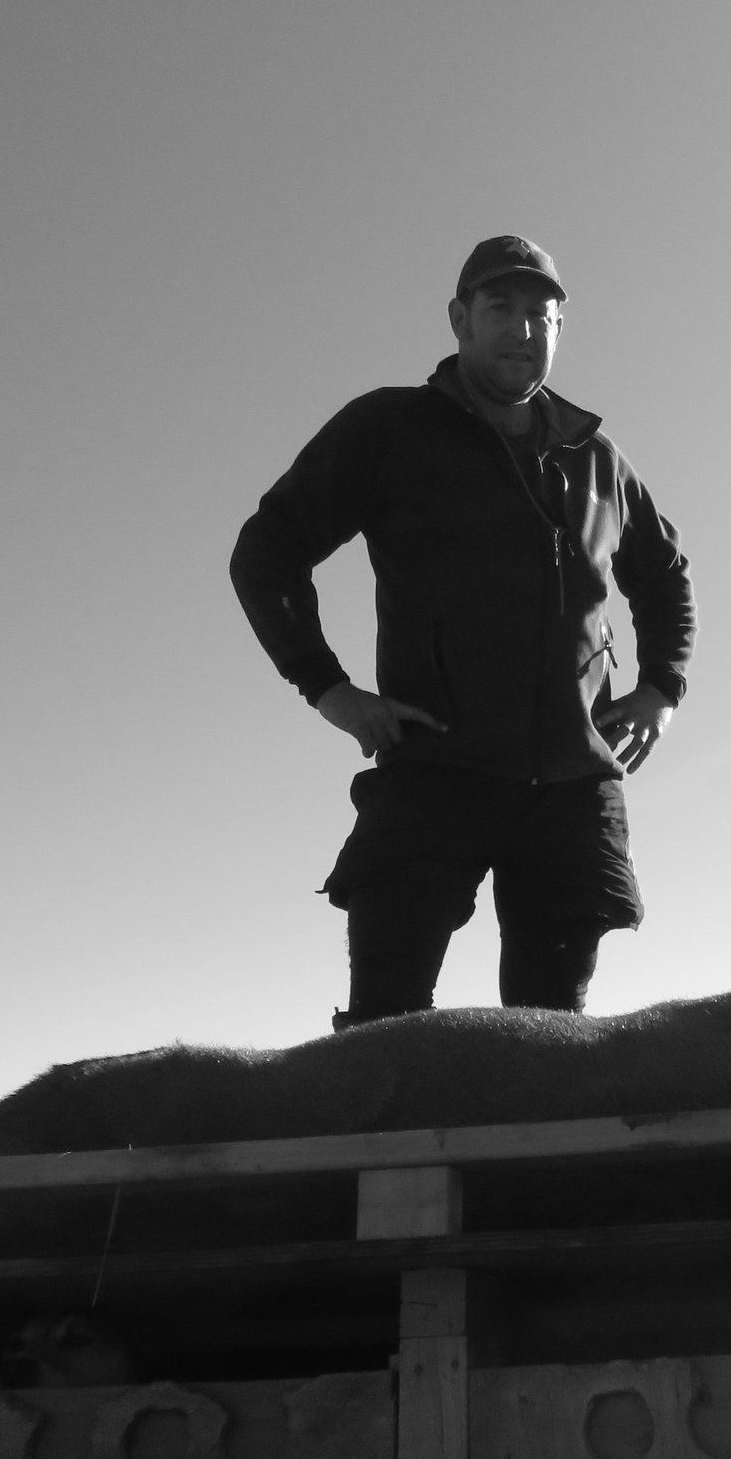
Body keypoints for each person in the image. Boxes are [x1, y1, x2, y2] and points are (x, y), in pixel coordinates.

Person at [230, 236, 696, 1028]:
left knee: (554, 1037)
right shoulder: (389, 429)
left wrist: (662, 688)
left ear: (560, 327)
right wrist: (328, 688)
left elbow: (665, 574)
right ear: (459, 319)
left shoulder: (597, 460)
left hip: (572, 785)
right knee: (386, 1025)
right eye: (501, 309)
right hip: (436, 768)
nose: (523, 329)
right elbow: (267, 553)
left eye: (542, 315)